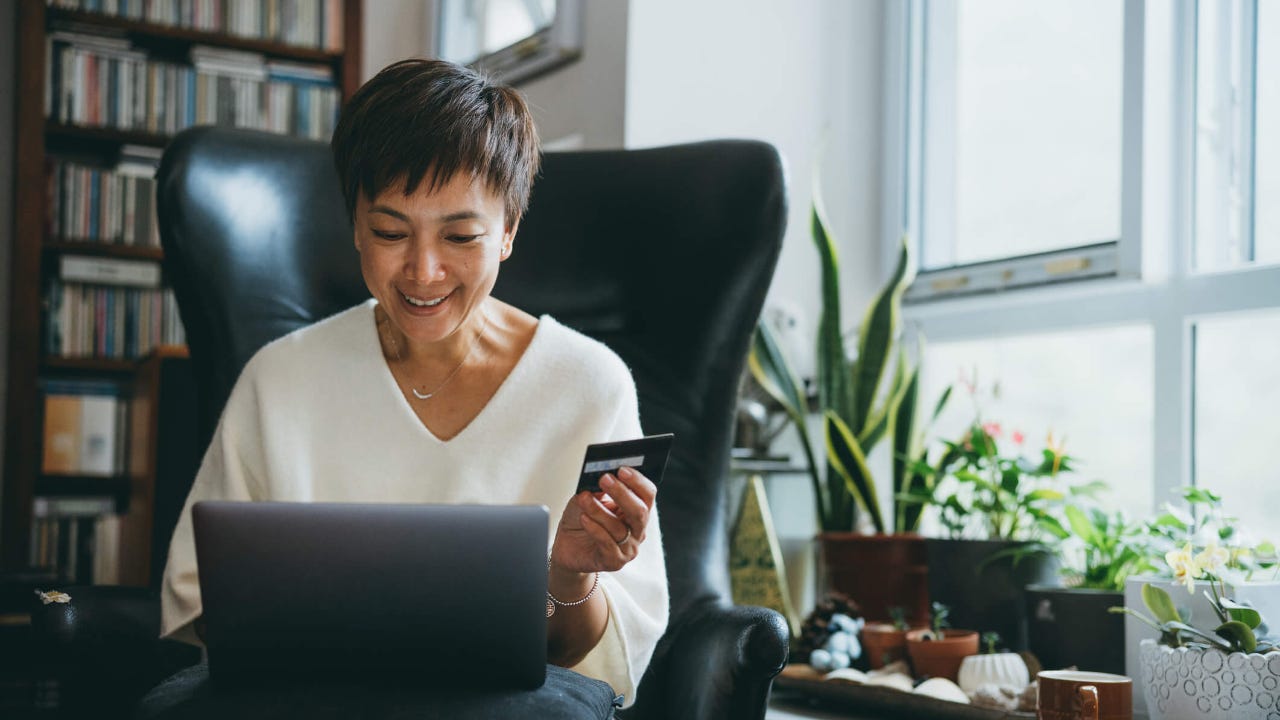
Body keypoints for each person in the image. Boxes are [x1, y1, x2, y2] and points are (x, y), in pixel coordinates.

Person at [159, 58, 669, 706]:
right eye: (390, 232)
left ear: (508, 231)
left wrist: (569, 574)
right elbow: (200, 608)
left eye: (460, 235)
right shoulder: (281, 377)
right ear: (355, 226)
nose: (423, 272)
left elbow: (591, 665)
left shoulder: (590, 385)